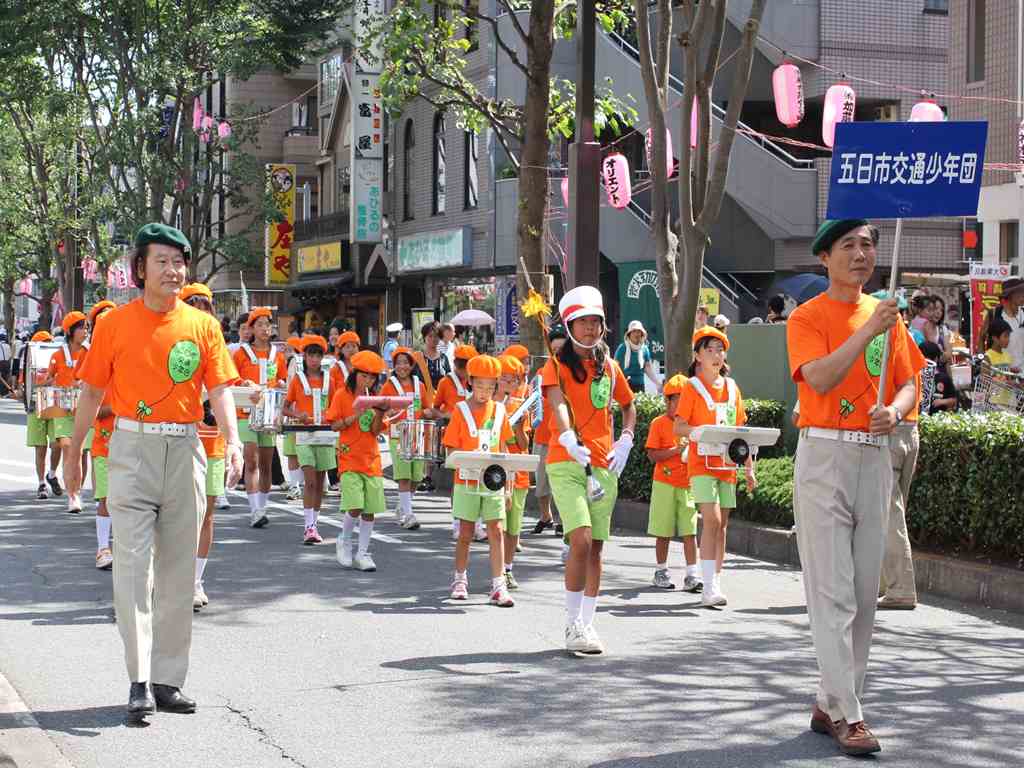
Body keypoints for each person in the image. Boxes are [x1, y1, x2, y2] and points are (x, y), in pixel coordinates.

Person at [66, 222, 242, 724]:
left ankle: (168, 680)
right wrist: (75, 449)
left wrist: (232, 441)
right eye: (162, 261)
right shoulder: (115, 325)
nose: (173, 270)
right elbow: (92, 393)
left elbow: (220, 389)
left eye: (179, 261)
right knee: (132, 567)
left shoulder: (204, 326)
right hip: (130, 448)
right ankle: (138, 679)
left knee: (177, 571)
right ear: (140, 269)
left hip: (185, 448)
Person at [787, 219, 922, 756]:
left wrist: (896, 409)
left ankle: (830, 699)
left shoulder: (889, 316)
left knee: (864, 594)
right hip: (824, 454)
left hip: (875, 456)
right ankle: (850, 714)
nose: (862, 254)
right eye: (849, 246)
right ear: (825, 258)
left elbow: (912, 379)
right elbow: (818, 377)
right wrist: (869, 330)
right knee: (833, 591)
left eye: (868, 245)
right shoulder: (807, 316)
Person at [543, 285, 636, 655]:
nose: (590, 329)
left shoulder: (610, 368)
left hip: (604, 466)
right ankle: (571, 624)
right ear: (568, 325)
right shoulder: (553, 366)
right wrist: (566, 436)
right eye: (582, 322)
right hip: (566, 461)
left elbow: (628, 406)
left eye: (595, 322)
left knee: (596, 548)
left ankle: (588, 623)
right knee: (579, 539)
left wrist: (626, 438)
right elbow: (557, 404)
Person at [673, 327, 754, 608]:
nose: (717, 355)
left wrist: (749, 467)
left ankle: (715, 579)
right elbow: (679, 426)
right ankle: (706, 585)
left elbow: (740, 432)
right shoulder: (691, 388)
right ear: (697, 356)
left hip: (728, 465)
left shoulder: (732, 388)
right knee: (712, 520)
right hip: (701, 465)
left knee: (723, 526)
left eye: (720, 350)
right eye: (710, 350)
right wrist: (702, 431)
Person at [443, 354, 520, 607]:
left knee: (496, 531)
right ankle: (459, 579)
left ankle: (498, 585)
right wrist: (468, 457)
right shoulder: (460, 410)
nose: (484, 392)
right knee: (465, 532)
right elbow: (450, 452)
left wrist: (509, 487)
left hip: (494, 482)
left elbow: (506, 450)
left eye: (490, 386)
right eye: (479, 385)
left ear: (496, 386)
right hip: (465, 482)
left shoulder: (500, 411)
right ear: (470, 383)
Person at [179, 284, 232, 611]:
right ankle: (173, 578)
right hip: (178, 442)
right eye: (192, 305)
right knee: (177, 516)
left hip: (213, 444)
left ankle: (196, 580)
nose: (200, 312)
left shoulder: (217, 347)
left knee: (207, 514)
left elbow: (227, 391)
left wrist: (249, 396)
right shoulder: (173, 345)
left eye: (205, 306)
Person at [327, 350, 389, 572]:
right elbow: (334, 425)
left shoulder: (375, 398)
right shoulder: (342, 395)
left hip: (371, 460)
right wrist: (354, 414)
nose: (368, 380)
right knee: (354, 505)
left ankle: (363, 553)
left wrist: (380, 413)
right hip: (349, 457)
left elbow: (374, 431)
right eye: (365, 376)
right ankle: (344, 539)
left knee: (370, 510)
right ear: (355, 374)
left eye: (372, 377)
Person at [646, 374, 701, 593]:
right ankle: (661, 571)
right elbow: (652, 455)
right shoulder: (658, 424)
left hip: (688, 484)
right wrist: (675, 451)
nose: (684, 405)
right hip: (664, 484)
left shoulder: (694, 426)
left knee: (690, 531)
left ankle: (692, 575)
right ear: (668, 401)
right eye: (679, 400)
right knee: (664, 530)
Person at [232, 307, 287, 528]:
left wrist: (282, 384)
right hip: (246, 411)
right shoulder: (241, 353)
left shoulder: (278, 355)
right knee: (251, 460)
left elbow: (283, 380)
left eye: (268, 324)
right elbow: (232, 379)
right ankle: (255, 510)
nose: (265, 328)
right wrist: (243, 383)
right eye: (260, 324)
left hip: (270, 413)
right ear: (252, 328)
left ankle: (262, 507)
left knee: (266, 462)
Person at [283, 335, 335, 544]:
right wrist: (298, 415)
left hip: (324, 434)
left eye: (318, 355)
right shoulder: (298, 379)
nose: (314, 359)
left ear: (322, 357)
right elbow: (285, 407)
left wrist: (330, 413)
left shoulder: (329, 380)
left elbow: (337, 404)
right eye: (310, 355)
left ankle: (314, 524)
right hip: (304, 435)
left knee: (320, 482)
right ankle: (308, 527)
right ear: (304, 357)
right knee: (310, 481)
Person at [77, 300, 117, 569]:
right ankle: (103, 547)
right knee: (106, 497)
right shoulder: (94, 363)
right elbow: (94, 409)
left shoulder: (134, 358)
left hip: (138, 442)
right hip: (105, 440)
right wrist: (119, 407)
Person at [433, 345, 483, 540]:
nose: (461, 369)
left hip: (476, 435)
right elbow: (435, 408)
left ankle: (476, 524)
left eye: (465, 365)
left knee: (477, 478)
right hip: (455, 434)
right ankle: (457, 523)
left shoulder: (478, 384)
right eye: (459, 364)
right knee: (459, 479)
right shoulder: (446, 382)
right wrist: (446, 414)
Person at [380, 347, 429, 530]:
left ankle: (402, 506)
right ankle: (409, 514)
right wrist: (388, 411)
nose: (402, 366)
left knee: (417, 477)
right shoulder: (389, 385)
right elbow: (380, 408)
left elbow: (426, 408)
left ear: (411, 364)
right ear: (394, 365)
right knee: (404, 477)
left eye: (405, 362)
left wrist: (427, 412)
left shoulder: (420, 385)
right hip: (397, 435)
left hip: (417, 434)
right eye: (398, 362)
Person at [45, 311, 89, 514]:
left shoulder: (90, 353)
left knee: (81, 453)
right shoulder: (57, 355)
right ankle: (72, 495)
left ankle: (77, 491)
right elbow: (45, 380)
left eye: (87, 327)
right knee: (68, 447)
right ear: (70, 331)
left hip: (84, 408)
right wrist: (51, 382)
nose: (85, 331)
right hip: (62, 409)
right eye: (81, 327)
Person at [495, 354, 532, 590]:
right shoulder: (487, 405)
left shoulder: (521, 406)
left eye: (514, 379)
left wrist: (518, 426)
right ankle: (496, 572)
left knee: (513, 527)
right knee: (497, 526)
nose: (508, 384)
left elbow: (524, 442)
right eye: (504, 379)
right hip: (493, 474)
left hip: (517, 474)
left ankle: (508, 569)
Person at [530, 324, 567, 537]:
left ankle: (562, 520)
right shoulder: (541, 373)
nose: (559, 353)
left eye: (562, 349)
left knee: (561, 483)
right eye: (555, 350)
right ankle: (546, 516)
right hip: (543, 435)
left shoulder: (574, 372)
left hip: (564, 437)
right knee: (541, 483)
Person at [22, 330, 63, 499]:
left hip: (54, 403)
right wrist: (23, 393)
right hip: (36, 405)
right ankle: (41, 484)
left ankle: (52, 474)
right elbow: (24, 382)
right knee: (40, 448)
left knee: (57, 445)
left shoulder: (59, 356)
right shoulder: (29, 355)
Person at [282, 336, 306, 500]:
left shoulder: (293, 362)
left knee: (293, 452)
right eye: (285, 349)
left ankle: (295, 485)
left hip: (295, 412)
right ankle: (300, 484)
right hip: (304, 412)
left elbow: (291, 386)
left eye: (289, 349)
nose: (286, 352)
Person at [613, 320, 662, 394]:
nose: (636, 334)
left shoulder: (645, 349)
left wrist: (657, 383)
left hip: (640, 386)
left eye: (638, 331)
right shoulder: (622, 348)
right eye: (634, 331)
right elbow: (615, 366)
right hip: (624, 385)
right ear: (629, 334)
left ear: (642, 334)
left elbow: (647, 368)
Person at [920, 342, 957, 413]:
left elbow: (954, 400)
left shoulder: (943, 378)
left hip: (936, 418)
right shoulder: (916, 377)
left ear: (936, 359)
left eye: (929, 361)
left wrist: (942, 402)